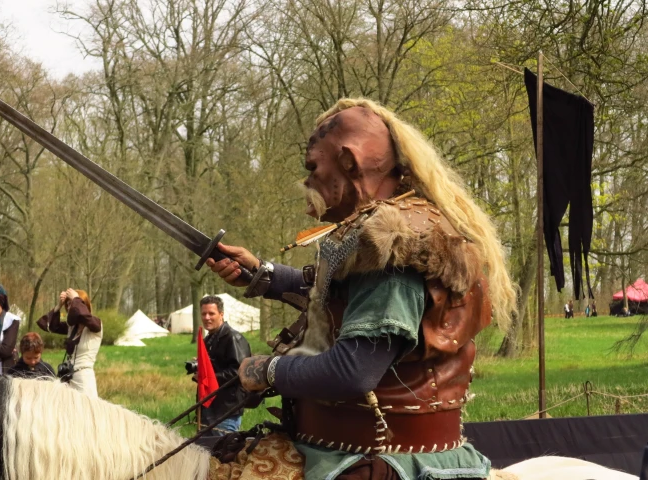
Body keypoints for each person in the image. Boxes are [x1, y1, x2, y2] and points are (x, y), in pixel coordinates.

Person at [205, 100, 516, 480]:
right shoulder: (380, 225)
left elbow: (354, 371)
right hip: (330, 445)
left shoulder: (391, 241)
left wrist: (268, 369)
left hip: (376, 461)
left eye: (313, 167)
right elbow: (338, 296)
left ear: (349, 161)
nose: (308, 181)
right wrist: (262, 274)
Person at [197, 295, 251, 436]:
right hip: (210, 406)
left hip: (227, 409)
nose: (207, 317)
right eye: (204, 314)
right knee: (206, 453)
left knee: (223, 454)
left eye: (211, 313)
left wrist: (209, 378)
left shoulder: (233, 338)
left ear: (221, 314)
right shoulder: (209, 339)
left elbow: (239, 372)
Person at [36, 288, 102, 397]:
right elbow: (47, 325)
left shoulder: (95, 325)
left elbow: (84, 316)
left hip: (84, 379)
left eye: (74, 304)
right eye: (69, 305)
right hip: (68, 378)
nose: (71, 307)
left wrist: (76, 298)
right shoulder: (71, 328)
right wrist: (59, 306)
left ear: (83, 304)